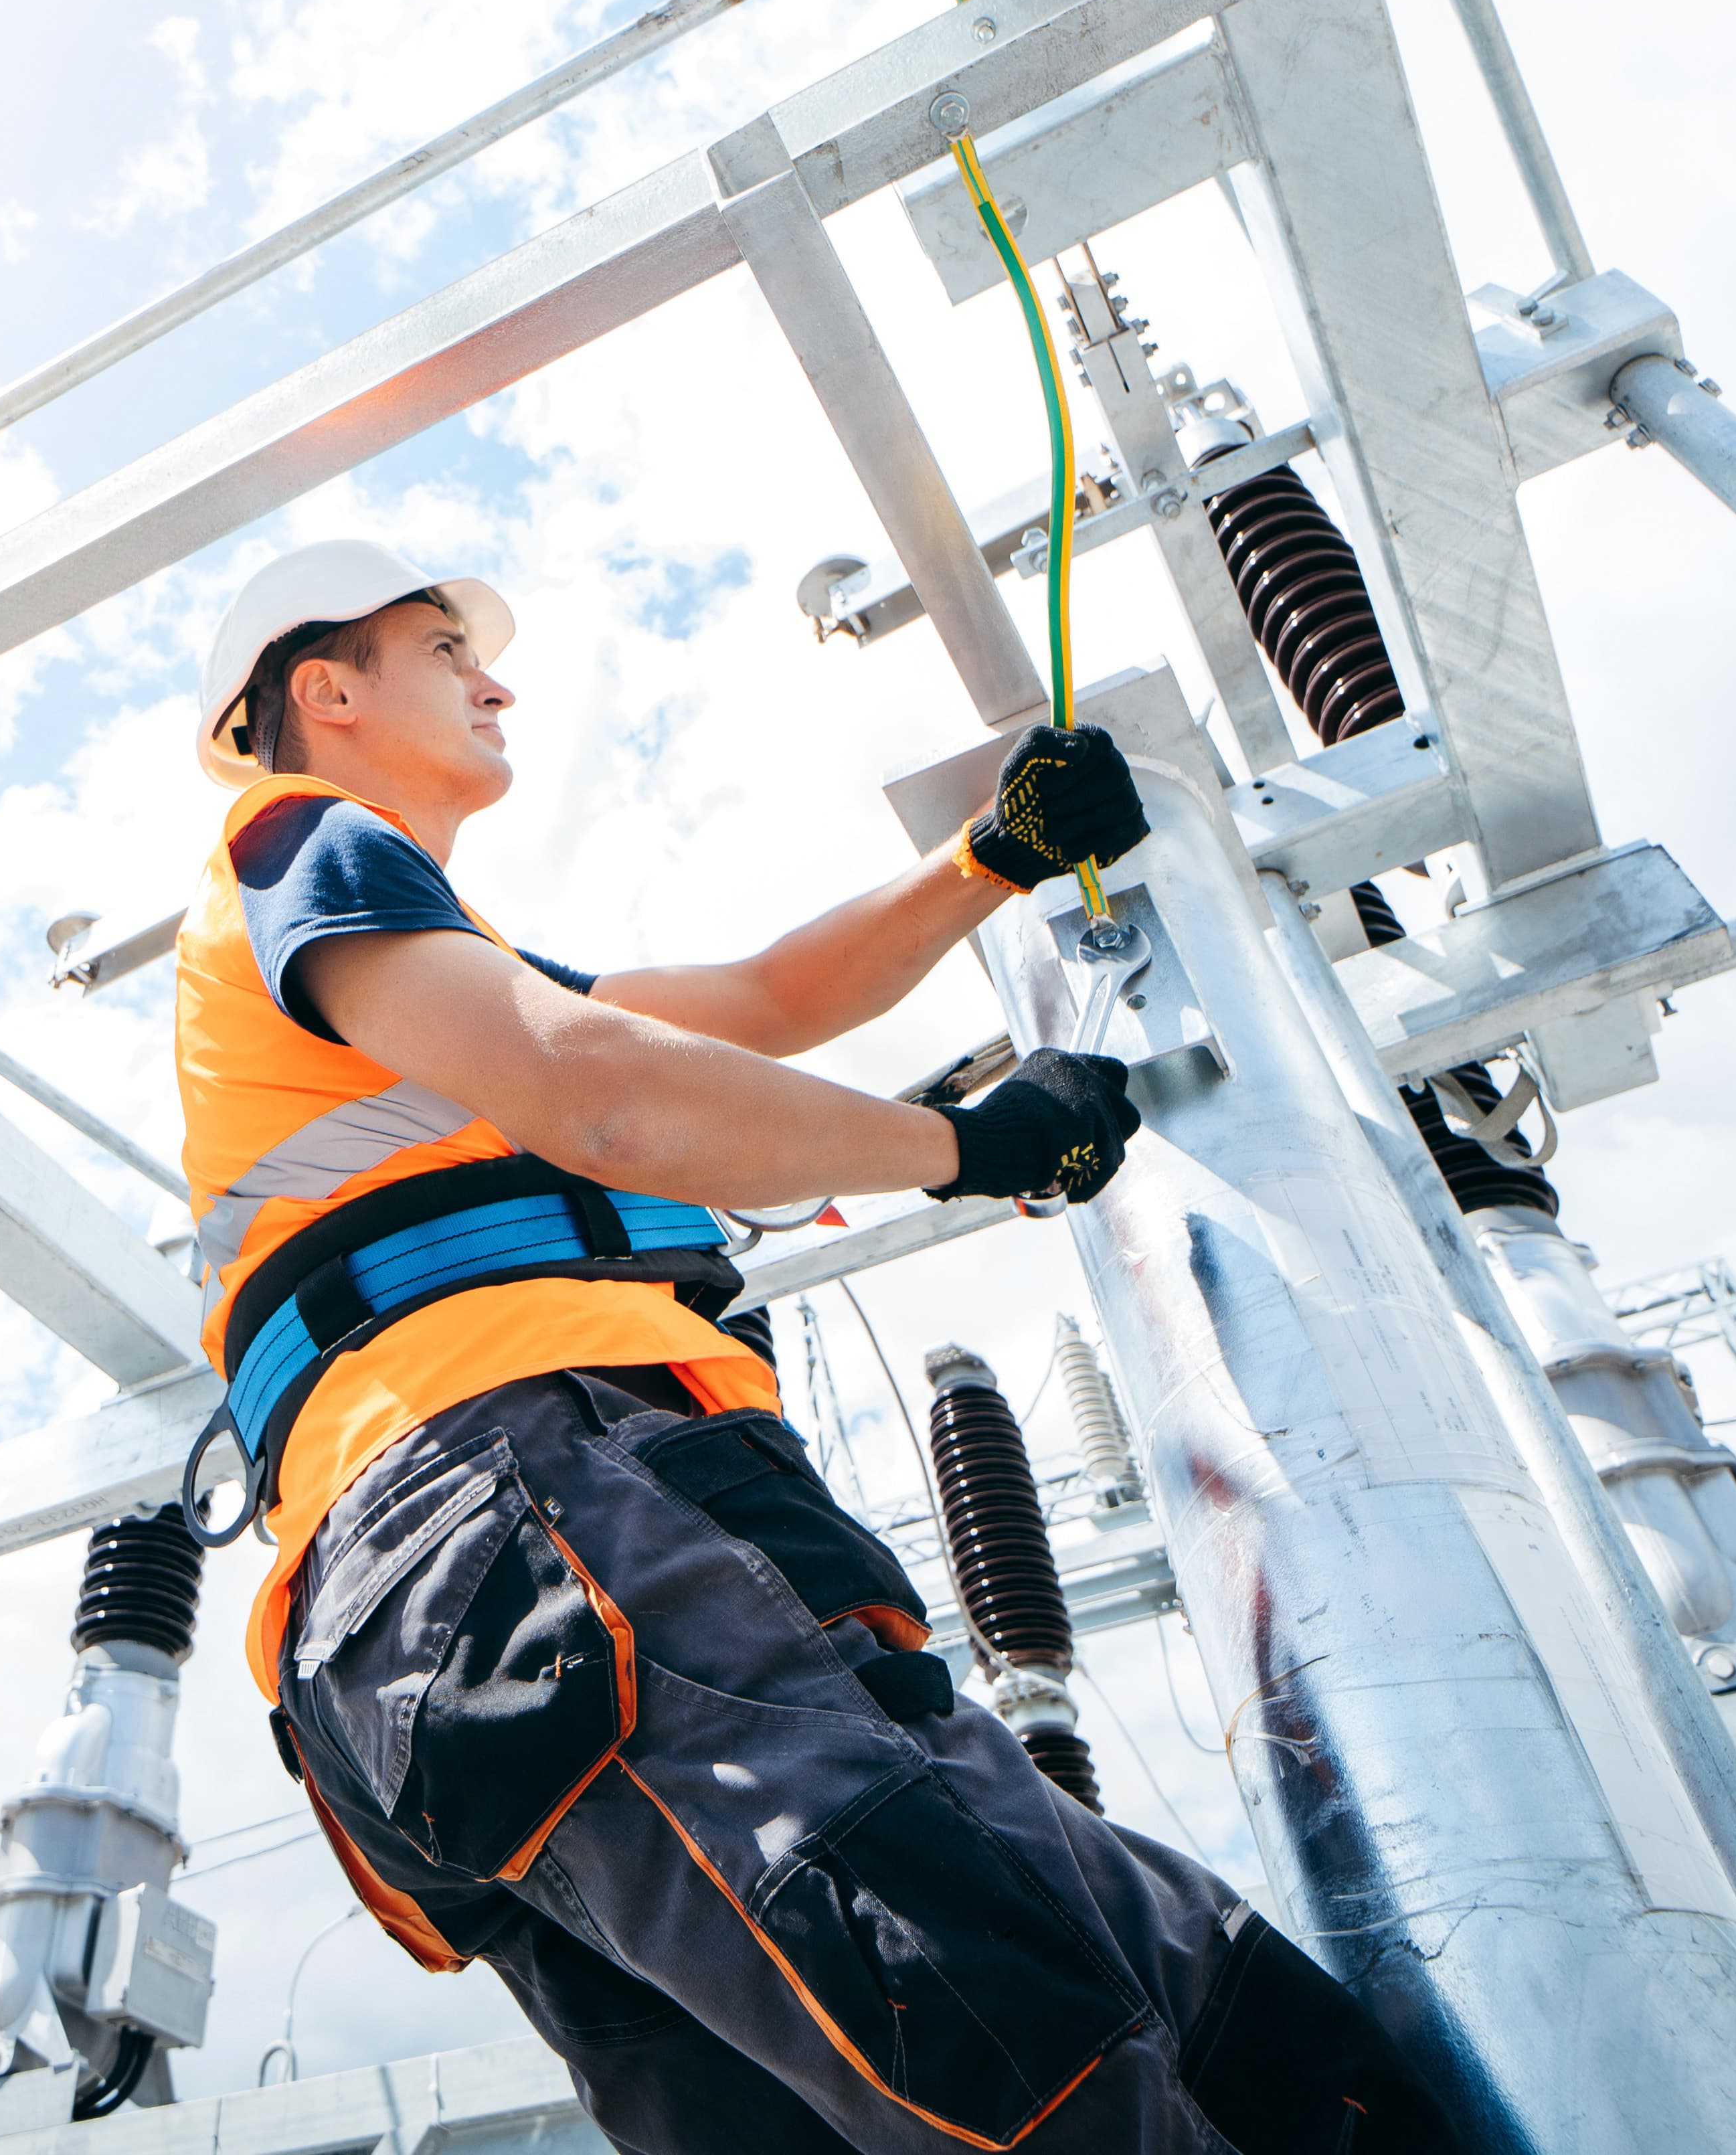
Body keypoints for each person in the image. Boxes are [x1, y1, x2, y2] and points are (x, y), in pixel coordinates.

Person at [172, 540, 1456, 2154]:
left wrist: (986, 861)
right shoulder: (302, 842)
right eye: (444, 648)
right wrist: (961, 1146)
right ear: (325, 689)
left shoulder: (414, 977)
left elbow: (761, 999)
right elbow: (608, 1094)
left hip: (476, 1599)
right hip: (523, 1498)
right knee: (1013, 2037)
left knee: (1150, 2034)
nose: (495, 681)